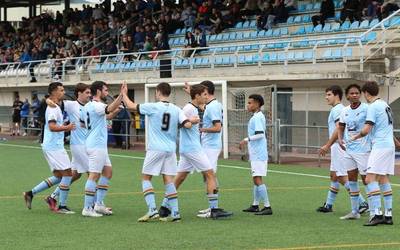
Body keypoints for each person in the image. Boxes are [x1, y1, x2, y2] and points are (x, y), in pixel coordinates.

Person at [122, 82, 197, 222]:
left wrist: (124, 94)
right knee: (169, 181)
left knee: (146, 178)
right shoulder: (177, 109)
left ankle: (152, 210)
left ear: (157, 92)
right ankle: (175, 214)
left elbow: (131, 106)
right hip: (170, 149)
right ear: (169, 93)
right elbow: (187, 124)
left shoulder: (153, 106)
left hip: (156, 148)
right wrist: (193, 120)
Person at [160, 84, 233, 219]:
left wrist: (191, 93)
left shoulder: (193, 107)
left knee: (180, 177)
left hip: (187, 149)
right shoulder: (188, 109)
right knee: (210, 174)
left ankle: (164, 207)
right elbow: (178, 123)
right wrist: (189, 122)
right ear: (198, 96)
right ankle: (214, 209)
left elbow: (197, 108)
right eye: (204, 94)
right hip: (193, 148)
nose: (207, 97)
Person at [351, 81, 400, 226]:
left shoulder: (373, 106)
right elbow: (386, 127)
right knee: (383, 178)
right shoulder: (385, 104)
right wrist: (396, 142)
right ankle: (388, 215)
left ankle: (377, 214)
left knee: (369, 178)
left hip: (380, 146)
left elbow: (367, 129)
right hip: (388, 146)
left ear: (366, 93)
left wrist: (355, 136)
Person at [23, 82, 76, 214]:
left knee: (59, 176)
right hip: (54, 147)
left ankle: (30, 193)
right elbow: (52, 127)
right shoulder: (52, 108)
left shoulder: (55, 105)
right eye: (61, 90)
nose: (63, 92)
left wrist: (63, 125)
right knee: (68, 174)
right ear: (53, 92)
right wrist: (66, 127)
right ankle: (62, 206)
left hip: (52, 145)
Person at [318, 85, 367, 213]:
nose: (326, 97)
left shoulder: (337, 110)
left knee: (341, 176)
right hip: (337, 146)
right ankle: (328, 205)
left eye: (329, 94)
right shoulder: (339, 109)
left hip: (338, 146)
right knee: (334, 176)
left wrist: (327, 145)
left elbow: (338, 128)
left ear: (337, 95)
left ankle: (362, 202)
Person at [80, 81, 123, 217]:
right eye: (105, 90)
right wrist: (122, 95)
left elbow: (105, 116)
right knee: (94, 176)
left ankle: (98, 204)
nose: (107, 92)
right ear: (98, 91)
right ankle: (87, 208)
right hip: (96, 145)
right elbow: (108, 109)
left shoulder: (87, 106)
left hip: (96, 144)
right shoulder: (97, 105)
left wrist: (116, 110)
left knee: (108, 172)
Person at [184, 81, 223, 218]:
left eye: (203, 92)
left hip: (211, 147)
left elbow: (218, 128)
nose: (202, 95)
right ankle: (212, 207)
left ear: (206, 91)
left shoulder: (212, 107)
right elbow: (200, 104)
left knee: (209, 175)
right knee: (208, 176)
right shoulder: (212, 105)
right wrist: (192, 93)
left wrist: (202, 129)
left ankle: (214, 209)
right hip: (208, 145)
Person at [337, 84, 370, 219]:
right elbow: (341, 127)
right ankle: (355, 212)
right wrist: (339, 139)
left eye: (357, 93)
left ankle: (374, 211)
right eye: (352, 93)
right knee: (351, 179)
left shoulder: (367, 109)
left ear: (360, 94)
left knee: (367, 180)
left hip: (363, 150)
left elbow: (372, 125)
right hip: (349, 150)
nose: (355, 95)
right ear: (347, 96)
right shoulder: (344, 110)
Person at [240, 94, 272, 215]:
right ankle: (255, 205)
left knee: (258, 179)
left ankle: (267, 206)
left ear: (257, 104)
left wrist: (246, 139)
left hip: (259, 154)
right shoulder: (256, 116)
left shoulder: (257, 117)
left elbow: (260, 135)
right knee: (256, 179)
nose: (248, 105)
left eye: (250, 103)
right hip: (256, 154)